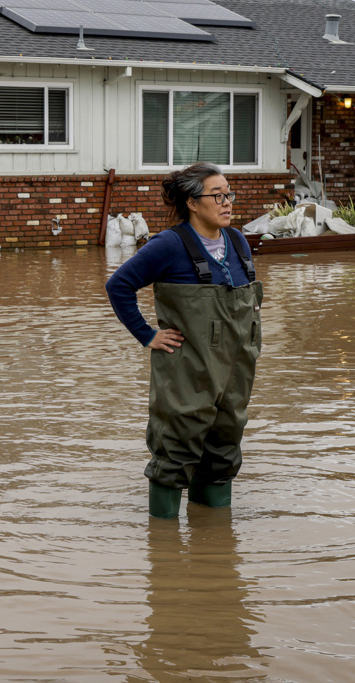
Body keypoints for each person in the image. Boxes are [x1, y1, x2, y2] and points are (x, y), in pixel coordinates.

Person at [105, 162, 263, 519]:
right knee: (175, 449)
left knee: (224, 449)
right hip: (186, 371)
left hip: (235, 372)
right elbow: (119, 286)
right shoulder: (169, 245)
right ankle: (163, 540)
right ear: (192, 203)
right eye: (217, 195)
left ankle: (213, 535)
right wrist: (148, 335)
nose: (227, 202)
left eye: (229, 194)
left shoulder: (238, 242)